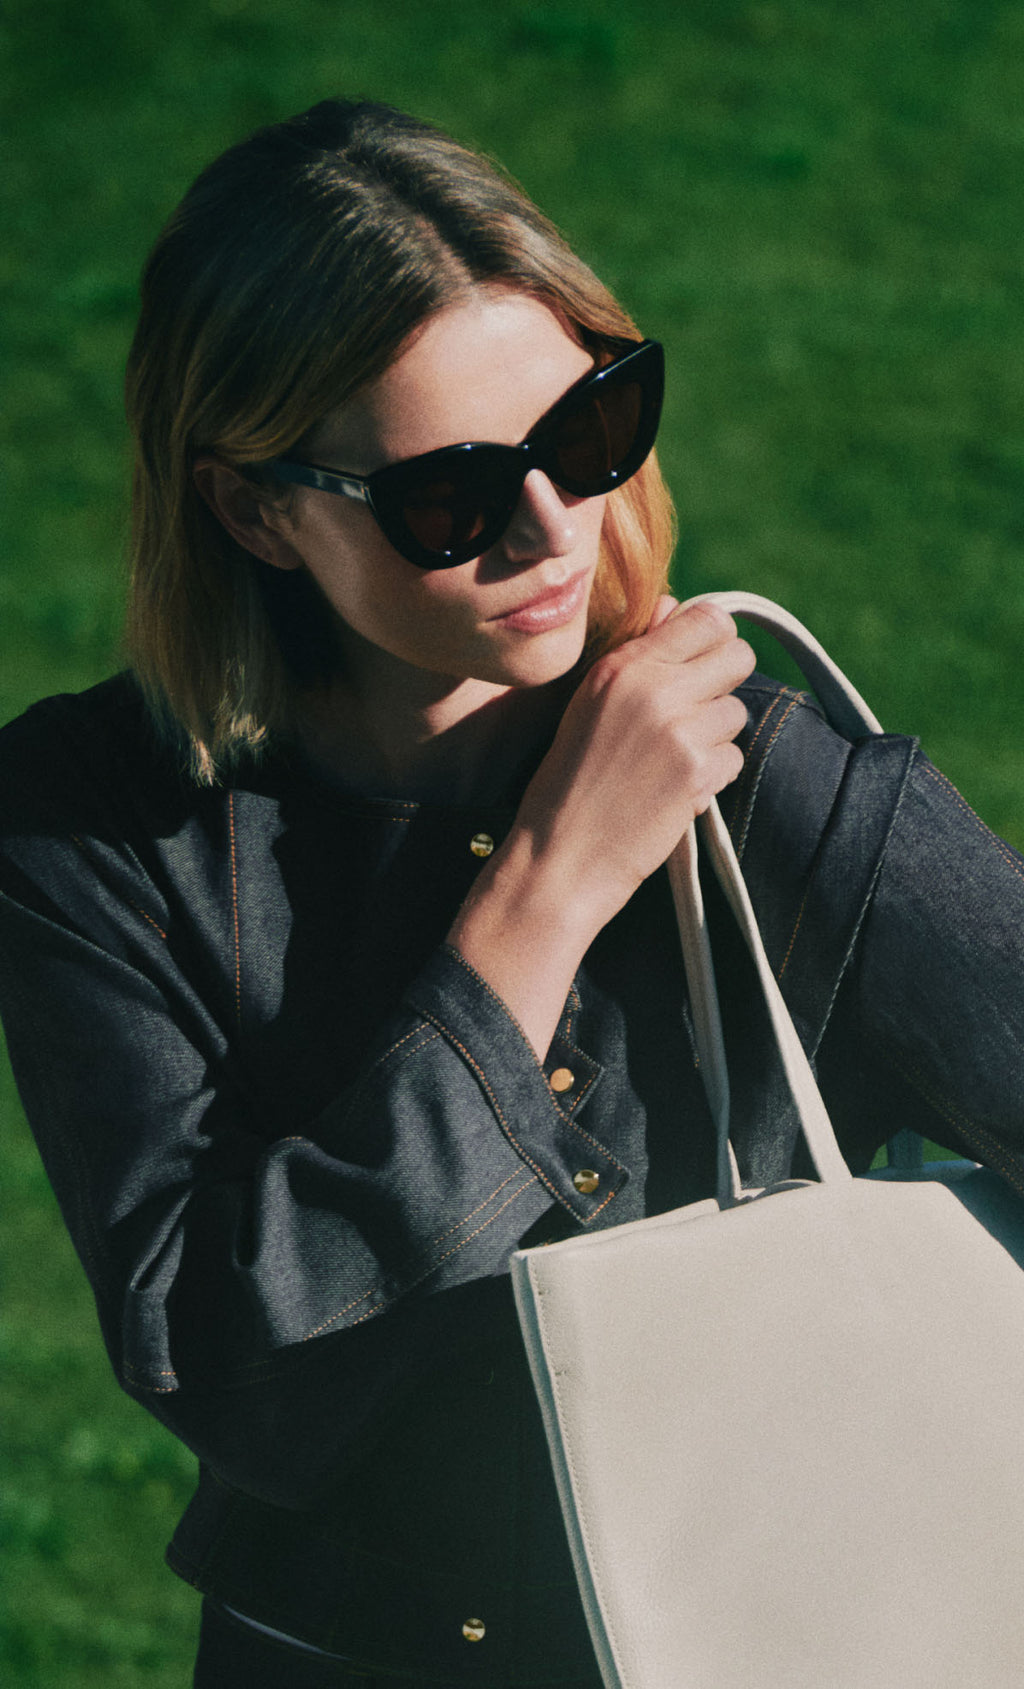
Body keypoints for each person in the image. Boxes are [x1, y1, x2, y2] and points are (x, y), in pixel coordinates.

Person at [1, 98, 1023, 1689]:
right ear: (255, 507)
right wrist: (551, 886)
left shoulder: (771, 784)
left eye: (590, 432)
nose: (557, 530)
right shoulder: (94, 829)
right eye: (450, 497)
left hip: (785, 1637)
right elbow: (224, 1361)